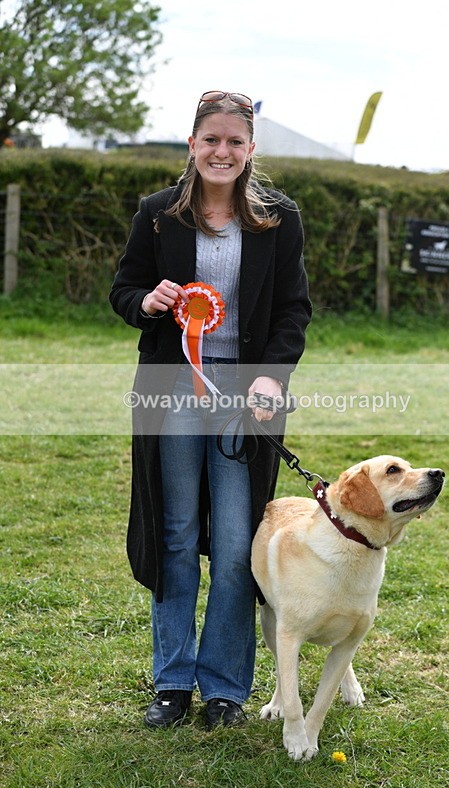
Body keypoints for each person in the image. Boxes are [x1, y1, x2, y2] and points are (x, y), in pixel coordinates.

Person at [110, 91, 312, 728]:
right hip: (171, 395)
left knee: (233, 544)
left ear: (251, 150)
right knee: (173, 535)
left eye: (234, 141)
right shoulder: (156, 216)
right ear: (191, 145)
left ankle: (224, 687)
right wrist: (147, 301)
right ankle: (171, 681)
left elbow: (292, 311)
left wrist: (272, 380)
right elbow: (123, 290)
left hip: (244, 405)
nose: (221, 151)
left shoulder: (279, 219)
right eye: (210, 140)